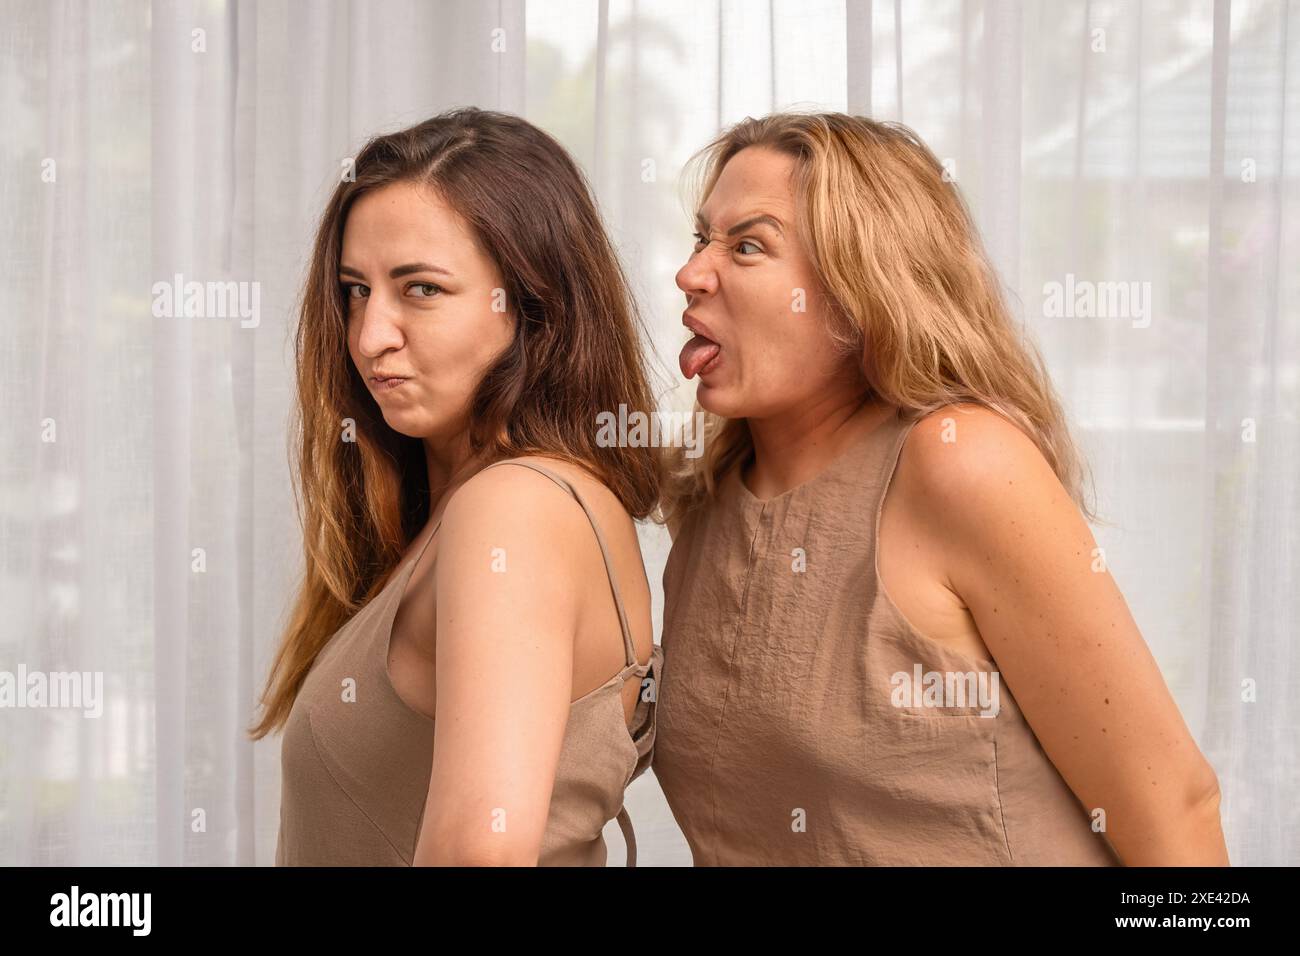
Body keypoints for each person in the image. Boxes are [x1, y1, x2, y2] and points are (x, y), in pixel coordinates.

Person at [652, 111, 1228, 866]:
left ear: (863, 291)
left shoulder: (961, 463)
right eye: (703, 239)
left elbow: (1174, 812)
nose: (692, 273)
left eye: (748, 246)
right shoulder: (709, 499)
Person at [250, 108, 663, 867]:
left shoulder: (515, 510)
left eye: (422, 290)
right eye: (355, 291)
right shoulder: (492, 507)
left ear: (534, 307)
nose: (370, 335)